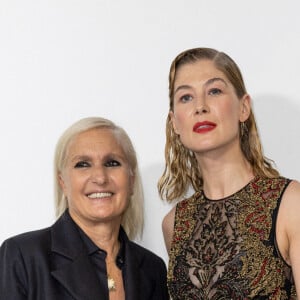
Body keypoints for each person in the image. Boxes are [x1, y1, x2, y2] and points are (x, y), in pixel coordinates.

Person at [158, 47, 300, 299]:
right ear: (175, 123)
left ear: (243, 107)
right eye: (186, 97)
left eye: (214, 91)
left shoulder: (291, 203)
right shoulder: (175, 224)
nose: (200, 106)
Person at [0, 117, 168, 300]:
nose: (100, 178)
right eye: (83, 164)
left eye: (112, 163)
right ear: (62, 182)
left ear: (131, 179)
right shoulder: (22, 256)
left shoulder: (153, 269)